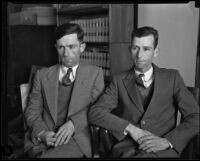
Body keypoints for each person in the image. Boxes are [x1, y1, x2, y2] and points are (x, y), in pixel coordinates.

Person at [88, 26, 199, 158]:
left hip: (162, 150)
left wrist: (168, 141)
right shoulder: (118, 80)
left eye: (146, 49)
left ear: (156, 52)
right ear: (130, 50)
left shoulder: (172, 77)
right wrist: (130, 128)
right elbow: (95, 112)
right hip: (127, 148)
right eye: (135, 48)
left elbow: (195, 117)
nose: (139, 55)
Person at [24, 23, 104, 158]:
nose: (66, 54)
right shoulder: (42, 75)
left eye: (72, 47)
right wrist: (42, 133)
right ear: (56, 47)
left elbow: (98, 108)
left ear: (82, 47)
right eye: (61, 47)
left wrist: (73, 124)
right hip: (44, 137)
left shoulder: (95, 74)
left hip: (76, 137)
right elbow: (32, 110)